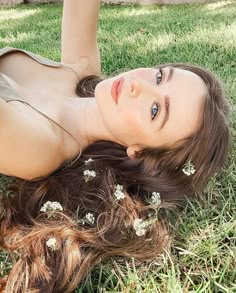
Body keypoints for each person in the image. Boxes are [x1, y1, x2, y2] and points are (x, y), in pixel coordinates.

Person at [0, 1, 232, 292]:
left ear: (138, 151)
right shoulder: (82, 71)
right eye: (160, 76)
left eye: (154, 110)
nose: (138, 84)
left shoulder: (42, 149)